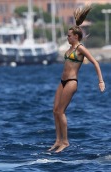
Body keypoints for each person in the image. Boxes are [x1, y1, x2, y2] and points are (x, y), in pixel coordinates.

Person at [48, 5, 105, 153]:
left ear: (76, 36)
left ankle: (65, 142)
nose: (67, 37)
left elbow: (95, 62)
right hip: (62, 81)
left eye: (69, 35)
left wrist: (100, 81)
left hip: (72, 82)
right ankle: (57, 140)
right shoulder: (69, 49)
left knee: (61, 111)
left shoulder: (80, 48)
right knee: (55, 110)